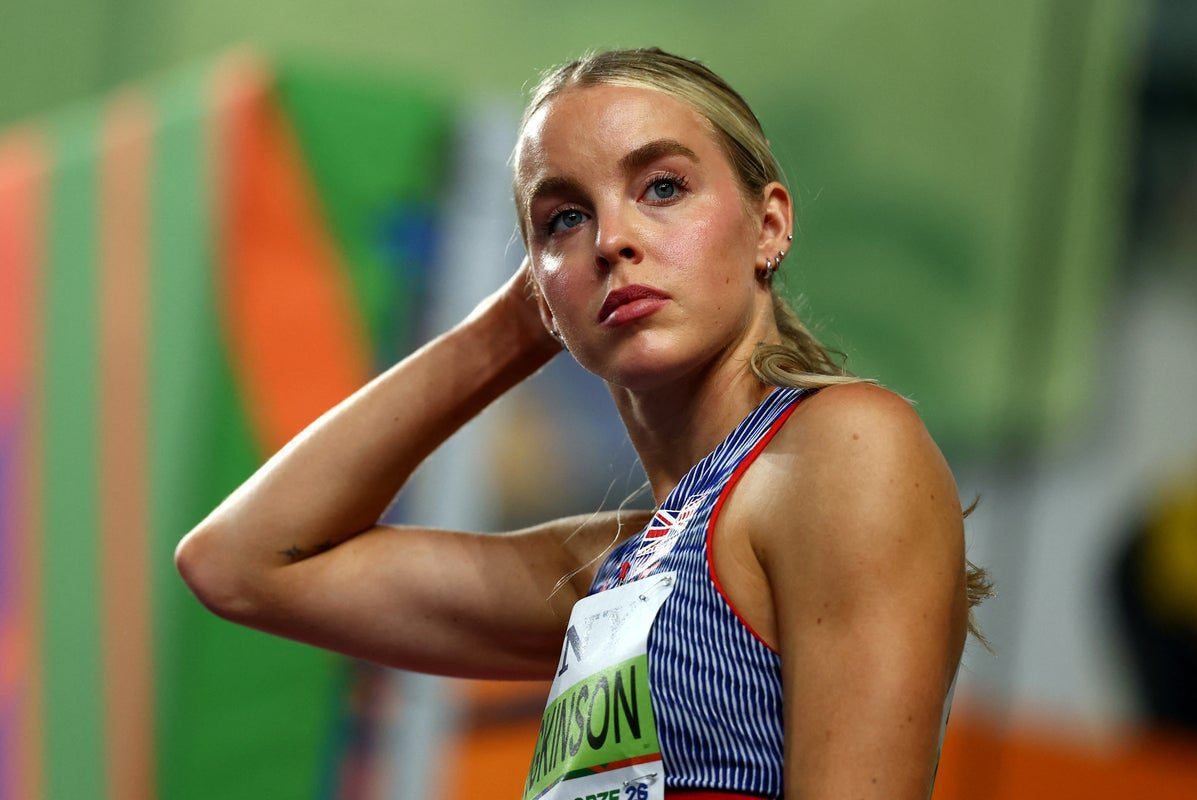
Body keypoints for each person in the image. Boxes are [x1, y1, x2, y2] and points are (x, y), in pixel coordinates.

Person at [175, 47, 990, 800]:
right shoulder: (613, 568)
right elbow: (239, 565)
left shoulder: (841, 448)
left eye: (661, 188)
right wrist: (503, 334)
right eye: (564, 218)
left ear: (769, 225)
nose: (612, 240)